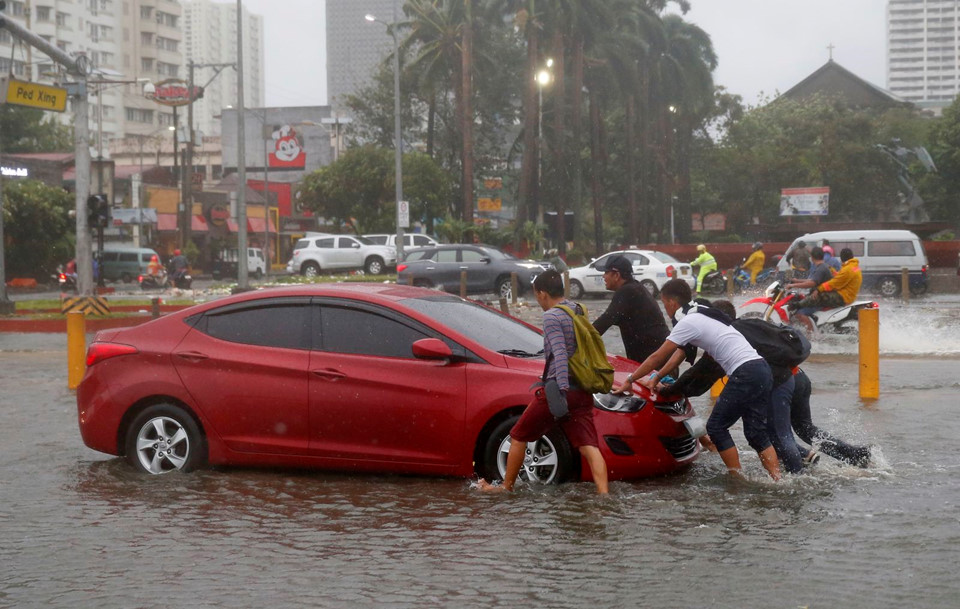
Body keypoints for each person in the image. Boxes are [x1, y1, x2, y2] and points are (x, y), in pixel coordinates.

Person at [613, 279, 782, 481]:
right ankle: (777, 480)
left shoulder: (687, 321)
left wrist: (630, 379)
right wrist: (656, 377)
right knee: (756, 433)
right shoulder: (701, 311)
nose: (665, 308)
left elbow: (657, 356)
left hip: (745, 372)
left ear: (672, 302)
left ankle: (737, 480)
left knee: (716, 427)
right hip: (761, 368)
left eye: (664, 303)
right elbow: (681, 354)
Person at [478, 270, 609, 494]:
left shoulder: (552, 317)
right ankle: (603, 495)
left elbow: (559, 354)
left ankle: (505, 487)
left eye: (537, 295)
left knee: (518, 434)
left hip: (560, 387)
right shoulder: (578, 309)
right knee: (589, 445)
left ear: (542, 293)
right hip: (583, 387)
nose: (538, 300)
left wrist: (560, 390)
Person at [591, 254, 670, 365]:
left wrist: (579, 339)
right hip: (660, 354)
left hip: (654, 359)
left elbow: (604, 322)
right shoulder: (635, 288)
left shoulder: (627, 291)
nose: (603, 276)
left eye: (606, 272)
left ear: (616, 275)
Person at [788, 247, 862, 313]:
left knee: (817, 296)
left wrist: (819, 289)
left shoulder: (847, 269)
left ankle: (797, 306)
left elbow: (833, 283)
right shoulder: (853, 267)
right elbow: (841, 278)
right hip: (848, 295)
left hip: (844, 296)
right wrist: (833, 271)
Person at [785, 246, 834, 334]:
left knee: (800, 313)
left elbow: (811, 283)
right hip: (820, 296)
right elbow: (811, 280)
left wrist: (793, 285)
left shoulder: (821, 268)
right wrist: (796, 280)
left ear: (812, 257)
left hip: (821, 299)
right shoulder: (821, 266)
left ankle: (811, 336)